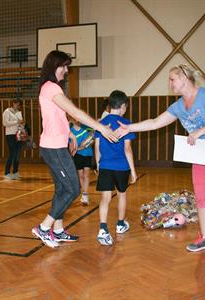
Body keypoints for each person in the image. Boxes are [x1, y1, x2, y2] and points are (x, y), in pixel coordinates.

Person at [117, 64, 205, 257]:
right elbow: (154, 122)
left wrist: (199, 131)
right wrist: (130, 128)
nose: (170, 83)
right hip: (200, 154)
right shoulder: (178, 106)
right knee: (201, 196)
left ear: (185, 78)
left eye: (172, 79)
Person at [31, 50, 118, 248]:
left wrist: (70, 135)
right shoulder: (50, 87)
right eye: (64, 66)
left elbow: (61, 117)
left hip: (57, 145)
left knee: (62, 188)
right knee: (72, 188)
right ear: (55, 66)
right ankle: (44, 228)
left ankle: (59, 230)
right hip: (53, 148)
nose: (66, 70)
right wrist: (101, 127)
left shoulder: (53, 88)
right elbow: (74, 112)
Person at [95, 90, 137, 246]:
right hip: (121, 166)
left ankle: (103, 228)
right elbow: (127, 149)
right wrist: (133, 170)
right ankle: (120, 225)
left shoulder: (101, 124)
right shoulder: (125, 123)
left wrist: (98, 164)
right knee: (122, 195)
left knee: (105, 198)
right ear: (123, 106)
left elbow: (97, 147)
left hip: (105, 165)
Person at [69, 118, 94, 205]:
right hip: (78, 155)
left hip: (88, 153)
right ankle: (84, 195)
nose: (77, 120)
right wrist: (72, 152)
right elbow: (71, 144)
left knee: (86, 174)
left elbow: (92, 137)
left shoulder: (86, 128)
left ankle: (85, 194)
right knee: (81, 175)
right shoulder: (70, 131)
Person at [2, 99, 24, 180]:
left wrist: (22, 125)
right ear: (13, 103)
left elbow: (20, 123)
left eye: (19, 105)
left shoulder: (19, 112)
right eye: (17, 104)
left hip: (18, 135)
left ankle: (15, 172)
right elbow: (5, 123)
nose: (18, 106)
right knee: (12, 154)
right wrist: (17, 122)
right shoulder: (7, 111)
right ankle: (7, 173)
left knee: (17, 154)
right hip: (10, 135)